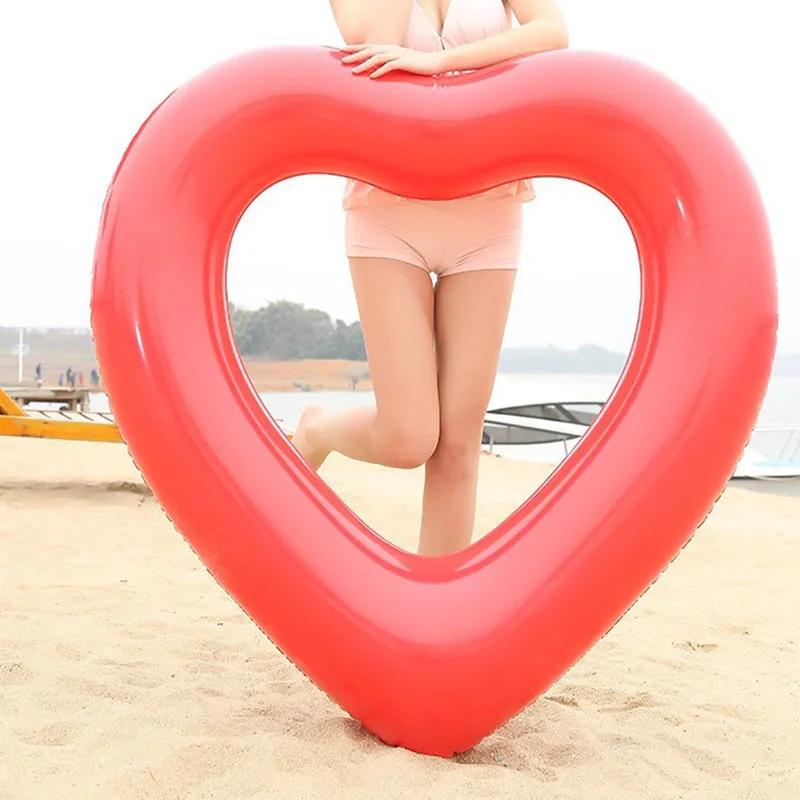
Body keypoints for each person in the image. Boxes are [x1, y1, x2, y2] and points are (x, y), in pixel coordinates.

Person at [293, 0, 568, 556]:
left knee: (457, 449)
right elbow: (371, 48)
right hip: (387, 211)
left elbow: (552, 33)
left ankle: (435, 622)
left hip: (489, 211)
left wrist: (439, 64)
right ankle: (320, 428)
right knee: (408, 438)